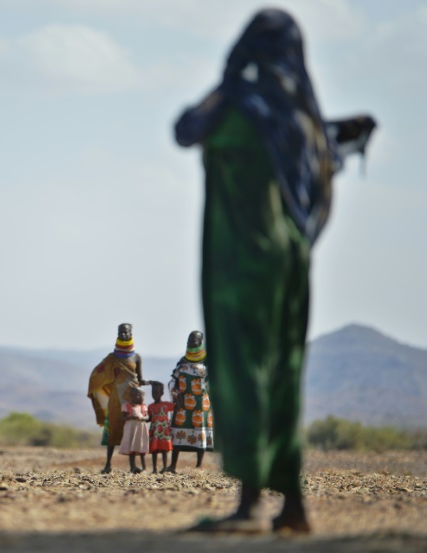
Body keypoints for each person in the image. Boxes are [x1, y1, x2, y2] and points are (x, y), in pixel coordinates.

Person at [173, 9, 376, 533]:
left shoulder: (242, 107)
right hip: (294, 262)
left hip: (245, 262)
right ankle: (294, 506)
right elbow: (323, 158)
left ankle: (247, 507)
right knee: (283, 374)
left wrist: (227, 83)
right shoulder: (300, 120)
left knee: (245, 374)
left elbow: (186, 129)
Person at [87, 323, 146, 474]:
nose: (124, 335)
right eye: (121, 332)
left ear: (131, 333)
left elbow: (140, 378)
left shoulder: (136, 357)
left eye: (126, 332)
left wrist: (150, 383)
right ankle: (108, 465)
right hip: (116, 399)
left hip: (133, 399)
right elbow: (98, 373)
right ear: (117, 334)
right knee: (113, 429)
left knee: (132, 429)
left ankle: (133, 466)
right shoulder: (111, 358)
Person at [167, 331, 213, 473]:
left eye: (195, 340)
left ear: (201, 342)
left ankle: (198, 466)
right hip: (182, 404)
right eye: (189, 340)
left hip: (201, 404)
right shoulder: (182, 361)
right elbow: (173, 381)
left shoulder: (208, 362)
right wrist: (175, 393)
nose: (191, 342)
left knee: (201, 433)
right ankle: (172, 466)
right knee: (178, 432)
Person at [119, 386, 149, 474]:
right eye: (136, 395)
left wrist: (143, 418)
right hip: (131, 429)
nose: (139, 397)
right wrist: (131, 417)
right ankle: (133, 466)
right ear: (131, 396)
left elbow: (147, 417)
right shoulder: (126, 406)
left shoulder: (143, 407)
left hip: (141, 428)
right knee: (131, 447)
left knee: (141, 447)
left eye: (141, 395)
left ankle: (144, 467)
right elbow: (123, 417)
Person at [147, 381, 174, 473]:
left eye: (157, 393)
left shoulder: (166, 404)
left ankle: (165, 467)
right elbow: (149, 418)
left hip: (164, 431)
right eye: (153, 393)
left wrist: (177, 396)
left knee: (164, 449)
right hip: (155, 431)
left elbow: (177, 406)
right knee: (154, 450)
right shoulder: (150, 406)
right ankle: (155, 468)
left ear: (162, 393)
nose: (155, 395)